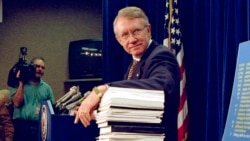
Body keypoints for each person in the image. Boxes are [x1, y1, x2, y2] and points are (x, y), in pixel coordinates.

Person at [74, 6, 180, 141]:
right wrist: (97, 114)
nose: (132, 39)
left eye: (136, 31)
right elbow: (132, 105)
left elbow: (162, 85)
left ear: (148, 30)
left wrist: (104, 89)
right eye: (125, 34)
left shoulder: (161, 55)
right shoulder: (134, 63)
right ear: (119, 40)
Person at [10, 57, 55, 141]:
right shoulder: (18, 84)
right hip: (21, 126)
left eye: (42, 67)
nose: (40, 69)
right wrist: (21, 83)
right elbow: (16, 103)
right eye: (37, 66)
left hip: (39, 126)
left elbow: (52, 109)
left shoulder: (47, 88)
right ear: (31, 68)